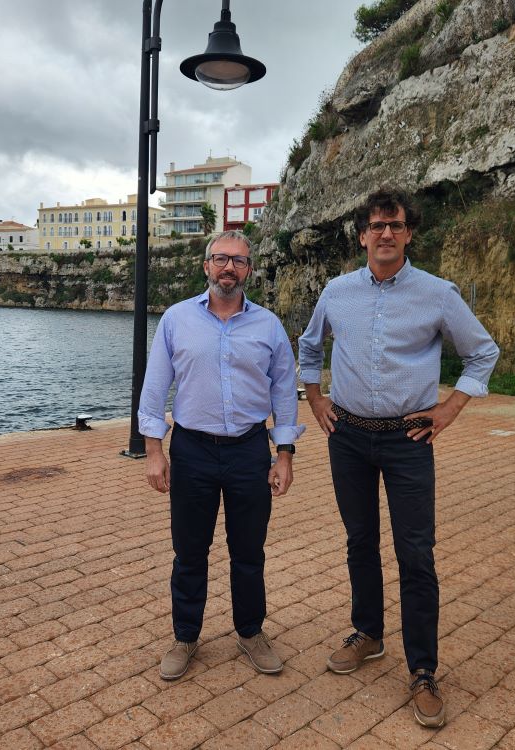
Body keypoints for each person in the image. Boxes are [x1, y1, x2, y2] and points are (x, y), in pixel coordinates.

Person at [298, 188, 499, 728]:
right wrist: (315, 398)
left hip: (409, 439)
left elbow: (483, 351)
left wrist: (450, 409)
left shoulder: (437, 294)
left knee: (415, 552)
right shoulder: (336, 292)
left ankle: (423, 670)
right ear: (362, 233)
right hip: (348, 437)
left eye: (396, 224)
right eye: (376, 224)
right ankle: (368, 634)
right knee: (359, 539)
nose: (385, 233)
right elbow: (309, 346)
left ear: (410, 233)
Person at [139, 230, 304, 681]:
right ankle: (185, 636)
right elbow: (155, 388)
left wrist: (283, 454)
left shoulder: (268, 326)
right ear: (206, 266)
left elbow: (285, 394)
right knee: (189, 551)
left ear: (249, 270)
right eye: (221, 259)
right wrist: (155, 451)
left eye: (239, 261)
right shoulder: (176, 320)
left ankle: (250, 632)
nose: (229, 267)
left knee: (248, 550)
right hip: (191, 449)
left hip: (250, 451)